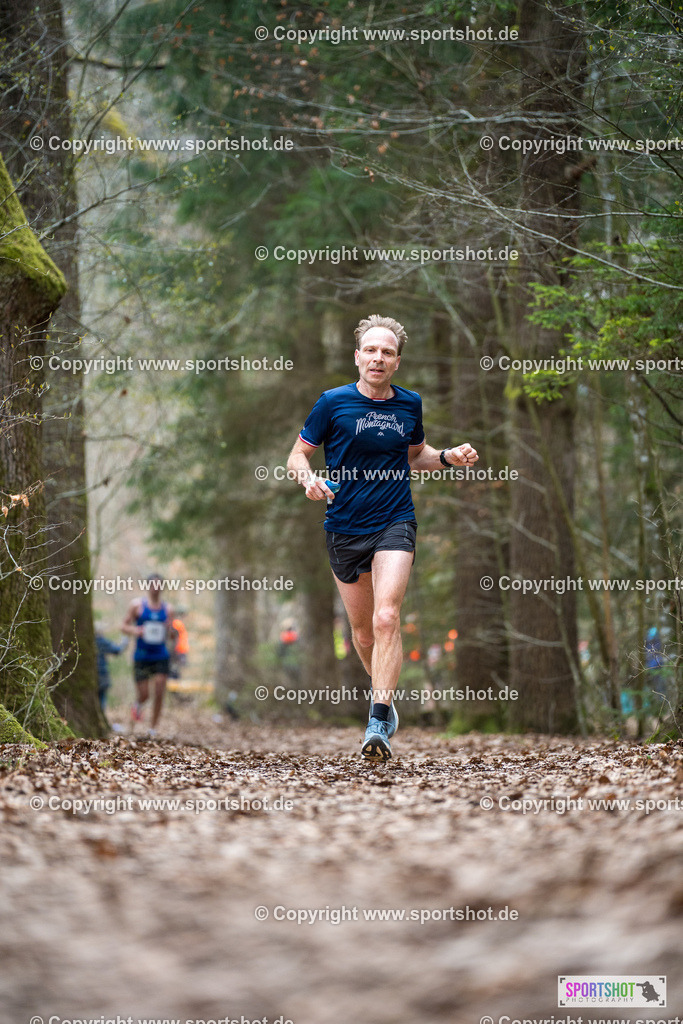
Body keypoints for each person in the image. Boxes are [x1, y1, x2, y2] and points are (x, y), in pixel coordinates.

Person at [286, 314, 478, 761]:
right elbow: (298, 454)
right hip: (344, 526)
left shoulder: (409, 405)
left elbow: (416, 456)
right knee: (363, 633)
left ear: (396, 362)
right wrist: (308, 480)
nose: (378, 357)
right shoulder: (332, 403)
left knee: (387, 617)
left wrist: (447, 457)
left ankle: (377, 719)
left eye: (387, 352)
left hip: (395, 520)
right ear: (357, 358)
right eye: (370, 350)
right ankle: (385, 698)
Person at [122, 573, 173, 736]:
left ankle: (153, 728)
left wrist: (170, 630)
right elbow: (123, 626)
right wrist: (136, 630)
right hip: (142, 655)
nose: (155, 588)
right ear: (147, 586)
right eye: (153, 585)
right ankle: (137, 707)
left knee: (159, 690)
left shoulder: (168, 609)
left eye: (159, 585)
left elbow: (172, 634)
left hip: (160, 655)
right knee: (144, 695)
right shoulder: (137, 606)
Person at [95, 628, 128, 711]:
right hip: (102, 674)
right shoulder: (101, 641)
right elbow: (118, 650)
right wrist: (125, 641)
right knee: (102, 698)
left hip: (91, 675)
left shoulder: (87, 641)